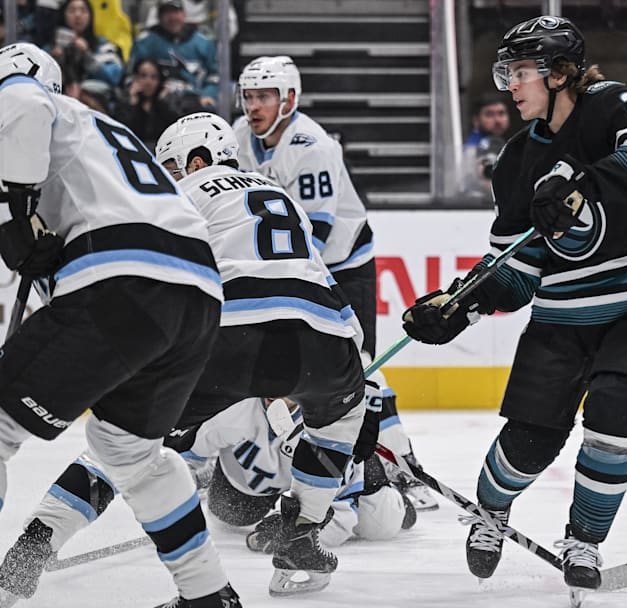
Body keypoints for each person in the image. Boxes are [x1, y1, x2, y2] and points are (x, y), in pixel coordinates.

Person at [0, 111, 383, 601]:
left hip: (228, 332)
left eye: (173, 168)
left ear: (197, 159)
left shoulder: (180, 196)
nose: (168, 180)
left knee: (121, 444)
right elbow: (322, 287)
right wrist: (353, 392)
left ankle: (34, 546)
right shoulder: (284, 197)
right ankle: (304, 532)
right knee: (339, 422)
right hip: (325, 336)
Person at [400, 16, 627, 594]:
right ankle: (490, 512)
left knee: (616, 411)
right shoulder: (517, 162)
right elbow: (516, 271)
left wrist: (583, 184)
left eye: (521, 73)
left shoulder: (611, 105)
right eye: (508, 73)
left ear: (561, 73)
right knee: (529, 440)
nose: (510, 86)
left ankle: (584, 541)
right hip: (566, 314)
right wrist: (463, 305)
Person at [0, 43, 240, 607]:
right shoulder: (101, 131)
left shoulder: (27, 99)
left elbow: (21, 100)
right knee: (128, 451)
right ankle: (208, 594)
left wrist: (13, 214)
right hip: (198, 297)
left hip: (123, 283)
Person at [232, 55, 439, 512]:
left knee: (359, 369)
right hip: (289, 269)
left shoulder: (314, 147)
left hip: (340, 267)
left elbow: (318, 237)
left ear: (288, 99)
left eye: (264, 96)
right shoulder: (237, 140)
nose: (254, 106)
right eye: (248, 96)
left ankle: (404, 465)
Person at [169, 397, 415, 548]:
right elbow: (180, 457)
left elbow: (341, 518)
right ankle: (213, 470)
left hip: (317, 480)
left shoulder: (326, 417)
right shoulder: (232, 410)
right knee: (228, 514)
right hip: (260, 479)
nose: (274, 391)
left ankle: (379, 481)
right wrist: (175, 491)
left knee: (380, 523)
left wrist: (293, 531)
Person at [128, 0, 218, 112]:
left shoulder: (204, 42)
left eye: (175, 12)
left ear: (184, 14)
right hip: (156, 104)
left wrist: (207, 94)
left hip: (196, 101)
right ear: (159, 17)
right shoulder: (145, 43)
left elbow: (215, 76)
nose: (172, 17)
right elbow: (131, 76)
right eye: (166, 13)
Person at [46, 0, 123, 99]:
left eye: (83, 11)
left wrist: (87, 54)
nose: (77, 15)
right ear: (63, 15)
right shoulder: (51, 48)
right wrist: (55, 59)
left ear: (90, 15)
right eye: (72, 11)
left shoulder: (104, 46)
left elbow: (113, 78)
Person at [112, 58, 179, 146]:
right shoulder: (124, 102)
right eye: (143, 76)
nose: (148, 82)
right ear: (135, 78)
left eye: (154, 77)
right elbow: (121, 133)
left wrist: (163, 103)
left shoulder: (166, 103)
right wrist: (133, 103)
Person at [461, 135, 504, 203]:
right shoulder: (461, 198)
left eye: (495, 163)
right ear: (475, 164)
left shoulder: (511, 198)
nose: (490, 168)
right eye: (485, 161)